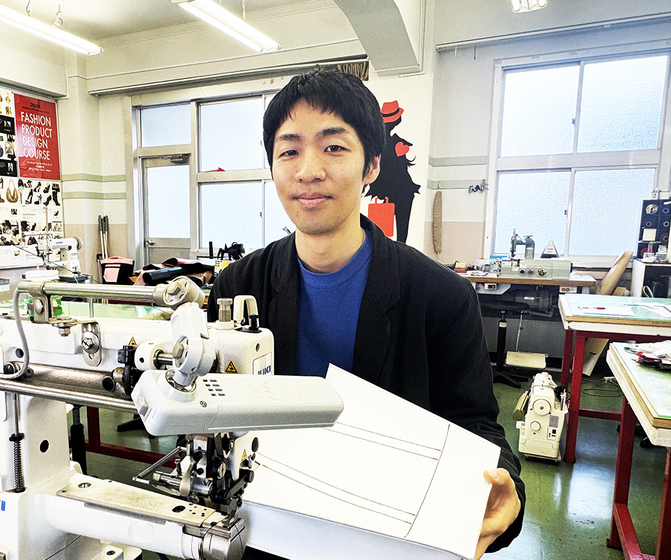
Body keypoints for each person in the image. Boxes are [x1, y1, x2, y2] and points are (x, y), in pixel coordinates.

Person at [206, 70, 524, 560]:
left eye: (333, 147)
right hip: (266, 533)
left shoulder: (440, 296)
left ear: (372, 165)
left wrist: (506, 490)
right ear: (272, 166)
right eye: (289, 151)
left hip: (386, 535)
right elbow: (213, 413)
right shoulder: (238, 287)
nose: (308, 170)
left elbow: (476, 425)